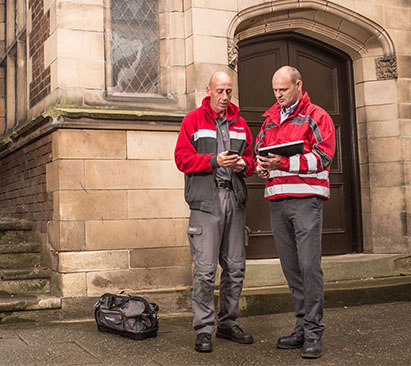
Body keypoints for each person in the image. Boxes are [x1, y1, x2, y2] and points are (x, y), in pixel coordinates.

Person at [255, 66, 336, 359]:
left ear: (298, 85)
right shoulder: (269, 121)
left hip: (306, 202)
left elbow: (324, 157)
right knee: (291, 269)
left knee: (309, 267)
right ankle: (301, 327)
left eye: (283, 90)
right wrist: (261, 166)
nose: (278, 96)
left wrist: (284, 163)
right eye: (275, 90)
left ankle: (314, 332)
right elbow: (259, 156)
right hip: (277, 201)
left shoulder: (318, 116)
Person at [174, 71, 255, 353]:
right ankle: (204, 328)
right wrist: (213, 160)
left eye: (229, 91)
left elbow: (252, 160)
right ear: (208, 90)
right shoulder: (192, 121)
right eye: (219, 91)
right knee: (206, 271)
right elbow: (182, 159)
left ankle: (228, 324)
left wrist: (244, 165)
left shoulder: (241, 124)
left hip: (234, 199)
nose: (224, 97)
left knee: (235, 268)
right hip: (206, 203)